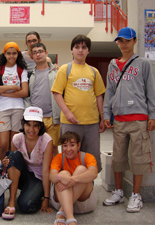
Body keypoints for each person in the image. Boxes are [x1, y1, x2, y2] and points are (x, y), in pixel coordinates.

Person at [103, 27, 155, 213]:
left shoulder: (143, 64)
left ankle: (136, 195)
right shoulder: (112, 65)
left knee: (138, 158)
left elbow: (151, 91)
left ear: (134, 41)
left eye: (127, 40)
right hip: (118, 119)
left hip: (139, 119)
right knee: (118, 158)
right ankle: (118, 192)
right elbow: (109, 91)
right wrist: (105, 115)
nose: (123, 44)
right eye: (120, 41)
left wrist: (154, 115)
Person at [51, 34, 106, 172]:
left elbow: (99, 96)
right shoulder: (65, 69)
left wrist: (102, 117)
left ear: (88, 51)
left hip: (91, 123)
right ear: (72, 50)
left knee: (91, 159)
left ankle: (87, 187)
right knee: (70, 158)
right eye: (77, 47)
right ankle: (69, 188)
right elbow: (57, 93)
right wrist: (67, 113)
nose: (80, 50)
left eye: (84, 47)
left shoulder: (94, 71)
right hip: (70, 122)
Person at [1, 107, 53, 220]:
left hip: (38, 178)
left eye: (36, 125)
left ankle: (33, 193)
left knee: (26, 206)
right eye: (28, 124)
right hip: (22, 175)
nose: (31, 129)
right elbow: (14, 163)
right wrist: (6, 163)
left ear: (40, 126)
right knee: (14, 156)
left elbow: (45, 171)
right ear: (23, 124)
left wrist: (46, 198)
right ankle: (11, 201)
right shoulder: (17, 138)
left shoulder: (46, 140)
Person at [0, 42, 28, 160]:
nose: (11, 56)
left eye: (14, 53)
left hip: (18, 109)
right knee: (3, 144)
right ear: (4, 54)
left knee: (13, 144)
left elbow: (25, 92)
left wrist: (3, 93)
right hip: (3, 109)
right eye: (8, 53)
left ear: (18, 54)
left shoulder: (22, 70)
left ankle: (11, 170)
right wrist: (12, 87)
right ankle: (1, 169)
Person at [50, 131, 98, 225]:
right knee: (63, 174)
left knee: (81, 170)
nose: (68, 149)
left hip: (83, 202)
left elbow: (94, 173)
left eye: (72, 145)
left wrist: (71, 180)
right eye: (65, 146)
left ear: (78, 145)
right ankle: (70, 218)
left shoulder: (87, 157)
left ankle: (62, 212)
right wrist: (61, 177)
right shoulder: (59, 158)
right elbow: (52, 176)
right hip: (61, 198)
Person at [25, 42, 61, 155]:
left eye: (40, 51)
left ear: (46, 53)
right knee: (37, 148)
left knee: (53, 147)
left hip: (52, 117)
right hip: (36, 118)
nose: (38, 54)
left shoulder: (57, 72)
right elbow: (28, 96)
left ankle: (55, 171)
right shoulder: (31, 75)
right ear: (32, 56)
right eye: (35, 53)